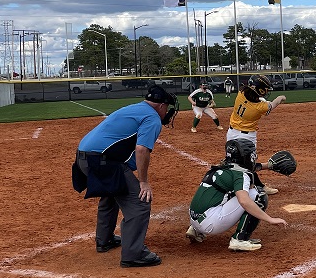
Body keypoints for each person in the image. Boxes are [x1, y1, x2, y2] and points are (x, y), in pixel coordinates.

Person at [72, 85, 179, 267]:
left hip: (84, 157)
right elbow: (142, 149)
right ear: (161, 106)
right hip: (101, 161)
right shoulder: (152, 117)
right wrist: (143, 182)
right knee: (140, 202)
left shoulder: (134, 108)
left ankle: (104, 240)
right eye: (166, 108)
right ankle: (133, 254)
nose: (166, 112)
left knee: (113, 192)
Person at [186, 140, 288, 252]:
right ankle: (239, 240)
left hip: (194, 220)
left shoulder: (223, 166)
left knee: (227, 193)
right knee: (257, 194)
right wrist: (270, 219)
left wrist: (268, 166)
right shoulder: (241, 175)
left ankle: (196, 230)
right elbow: (244, 201)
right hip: (210, 223)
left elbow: (249, 167)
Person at [227, 75, 286, 194]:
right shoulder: (260, 107)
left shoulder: (241, 93)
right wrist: (280, 98)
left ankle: (232, 185)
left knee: (233, 162)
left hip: (231, 133)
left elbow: (252, 94)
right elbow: (272, 104)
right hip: (247, 137)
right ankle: (258, 186)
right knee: (249, 164)